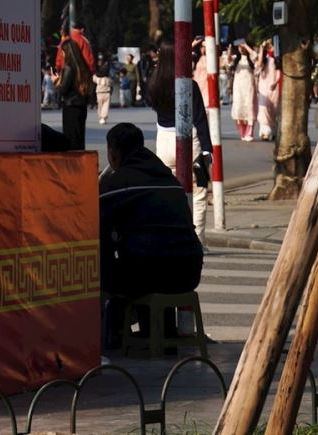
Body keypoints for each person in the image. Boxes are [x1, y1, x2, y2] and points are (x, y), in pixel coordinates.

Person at [98, 122, 205, 347]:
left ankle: (116, 334)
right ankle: (159, 334)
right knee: (147, 256)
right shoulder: (169, 179)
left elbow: (99, 229)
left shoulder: (115, 183)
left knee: (103, 270)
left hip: (147, 273)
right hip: (189, 272)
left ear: (113, 153)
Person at [148, 41, 213, 238]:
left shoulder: (154, 84)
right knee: (198, 191)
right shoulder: (188, 85)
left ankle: (171, 237)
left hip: (163, 141)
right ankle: (197, 239)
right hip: (188, 141)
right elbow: (200, 119)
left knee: (168, 192)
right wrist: (207, 150)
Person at [55, 35, 92, 147]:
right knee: (79, 136)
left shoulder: (69, 68)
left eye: (63, 52)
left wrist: (56, 82)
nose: (62, 55)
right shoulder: (82, 67)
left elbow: (63, 89)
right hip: (81, 105)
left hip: (70, 105)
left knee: (70, 137)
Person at [229, 41, 257, 141]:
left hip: (249, 87)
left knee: (249, 108)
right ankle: (242, 132)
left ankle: (249, 133)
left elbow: (255, 56)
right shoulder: (236, 60)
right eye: (240, 47)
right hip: (238, 88)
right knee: (238, 109)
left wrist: (246, 45)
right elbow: (228, 61)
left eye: (243, 47)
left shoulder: (251, 59)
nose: (241, 49)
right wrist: (229, 51)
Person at [254, 43, 279, 142]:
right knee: (263, 109)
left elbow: (279, 72)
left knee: (273, 110)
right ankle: (265, 132)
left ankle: (274, 131)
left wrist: (276, 82)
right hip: (263, 88)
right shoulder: (263, 60)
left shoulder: (275, 60)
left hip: (274, 87)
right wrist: (261, 49)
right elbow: (259, 63)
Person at [94, 53, 113, 126]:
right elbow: (111, 83)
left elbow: (93, 79)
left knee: (101, 105)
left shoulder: (96, 77)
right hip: (106, 92)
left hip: (99, 92)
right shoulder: (108, 79)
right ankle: (103, 117)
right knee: (105, 106)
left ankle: (101, 117)